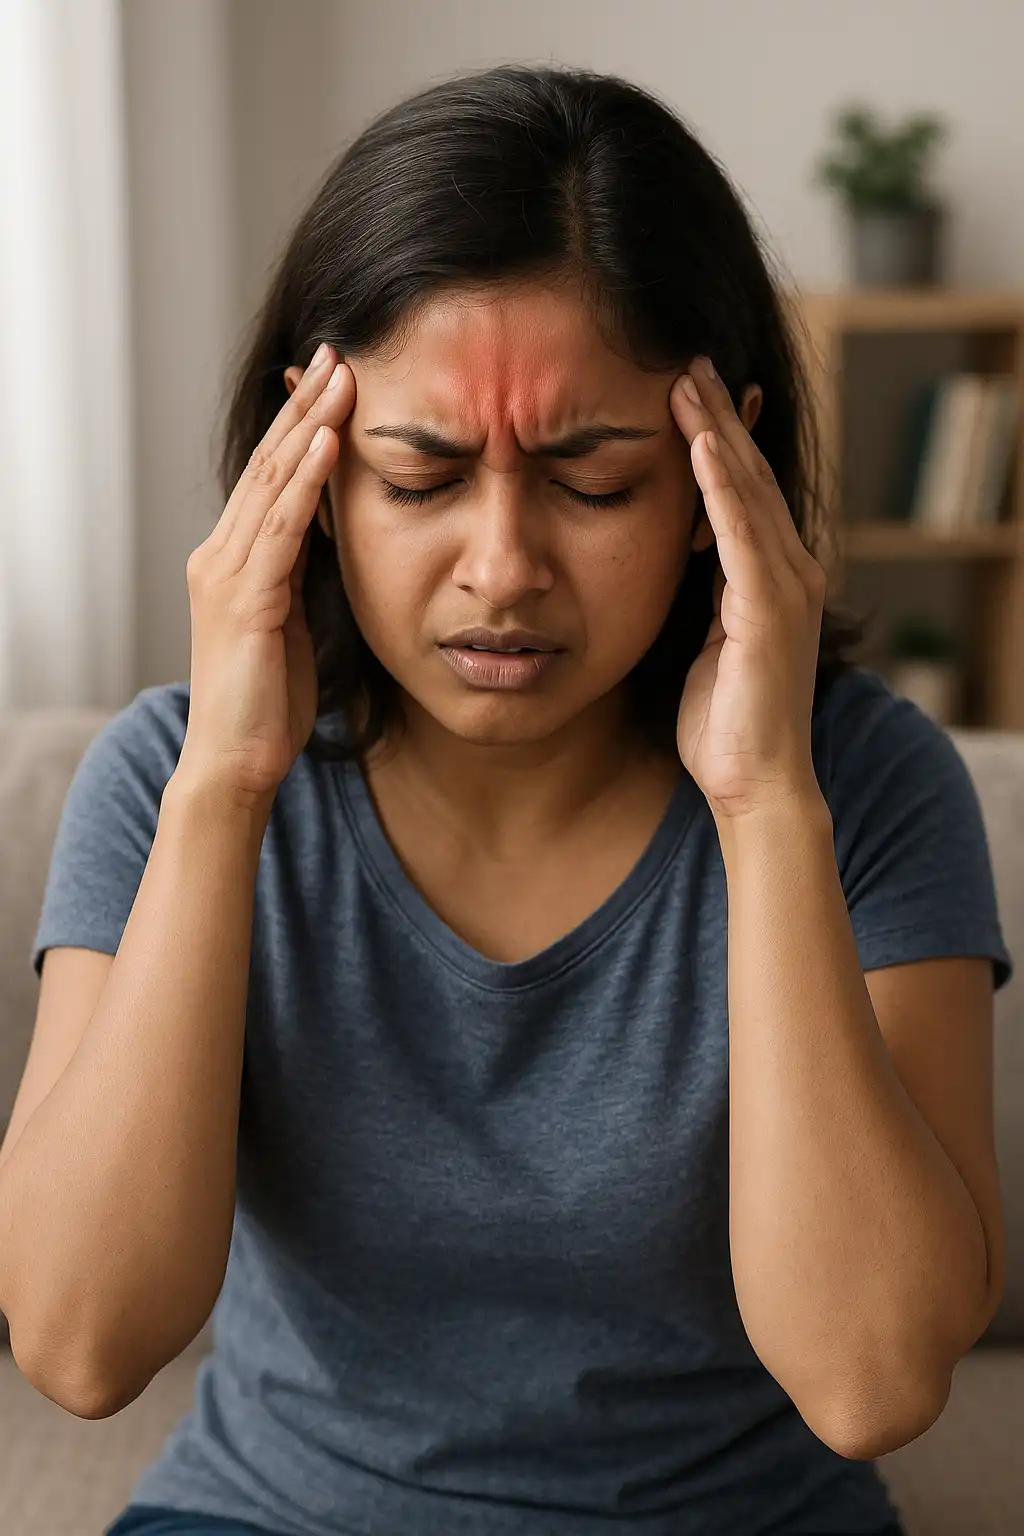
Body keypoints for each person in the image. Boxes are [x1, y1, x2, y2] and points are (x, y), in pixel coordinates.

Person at [7, 63, 1010, 1536]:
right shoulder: (169, 778)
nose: (502, 569)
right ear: (312, 470)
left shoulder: (862, 784)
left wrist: (764, 804)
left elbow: (872, 1384)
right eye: (419, 477)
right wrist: (224, 784)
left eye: (593, 484)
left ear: (717, 475)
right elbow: (81, 1344)